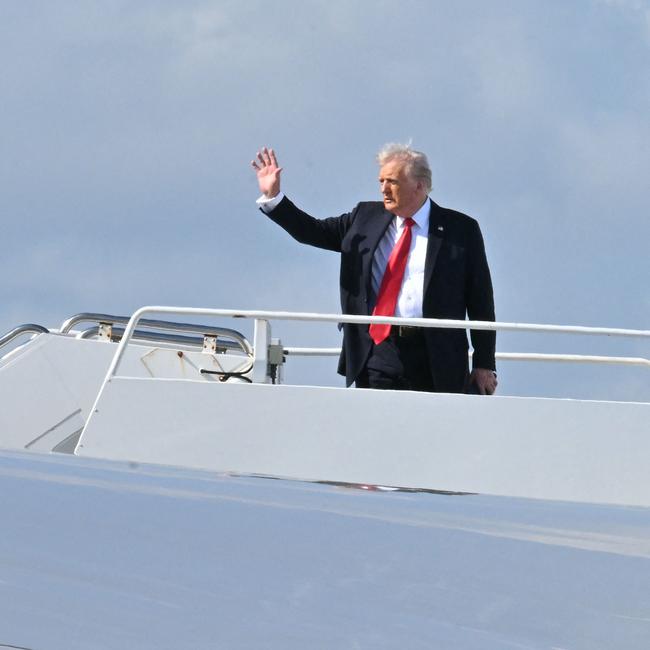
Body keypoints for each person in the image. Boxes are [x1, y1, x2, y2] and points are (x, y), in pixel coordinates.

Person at [252, 144, 497, 395]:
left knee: (433, 430)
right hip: (378, 351)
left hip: (437, 353)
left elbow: (480, 301)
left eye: (392, 181)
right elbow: (312, 231)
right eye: (381, 181)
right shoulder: (364, 218)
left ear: (419, 186)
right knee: (376, 428)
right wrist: (274, 198)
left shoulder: (461, 230)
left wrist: (484, 364)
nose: (383, 189)